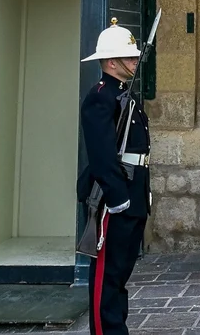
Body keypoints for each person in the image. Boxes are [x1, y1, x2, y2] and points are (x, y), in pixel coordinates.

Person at [78, 21, 151, 335]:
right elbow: (103, 155)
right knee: (107, 274)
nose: (135, 61)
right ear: (111, 63)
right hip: (114, 197)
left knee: (120, 272)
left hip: (133, 190)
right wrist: (118, 198)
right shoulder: (100, 98)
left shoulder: (124, 97)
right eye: (129, 57)